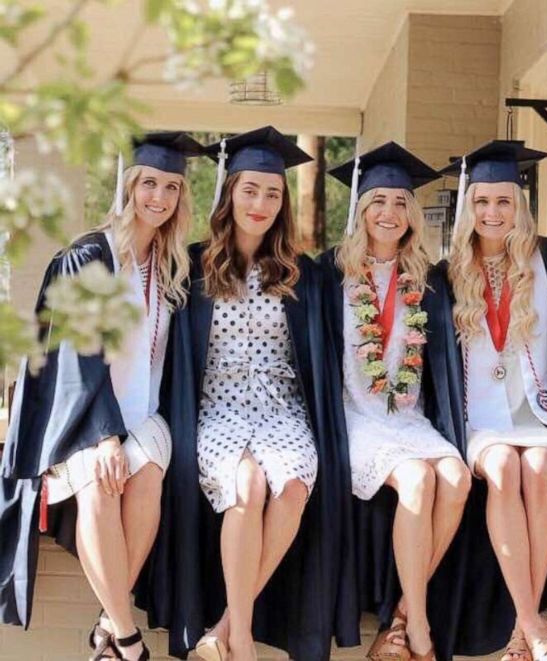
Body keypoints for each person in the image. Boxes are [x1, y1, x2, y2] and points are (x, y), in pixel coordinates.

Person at [139, 126, 358, 661]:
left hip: (283, 412)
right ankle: (239, 640)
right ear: (228, 192)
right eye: (250, 190)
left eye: (273, 193)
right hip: (217, 410)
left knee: (291, 487)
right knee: (246, 485)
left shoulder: (302, 274)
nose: (260, 203)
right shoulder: (191, 266)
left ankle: (226, 629)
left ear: (283, 203)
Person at [0, 133, 203, 661]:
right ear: (129, 186)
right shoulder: (91, 257)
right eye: (150, 184)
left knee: (148, 475)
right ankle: (125, 638)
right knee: (97, 480)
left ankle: (107, 626)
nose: (159, 197)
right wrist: (104, 434)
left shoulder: (172, 267)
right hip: (83, 417)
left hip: (147, 415)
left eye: (172, 187)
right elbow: (73, 358)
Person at [423, 140, 547, 661]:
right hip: (481, 421)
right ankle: (533, 626)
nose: (492, 213)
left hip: (540, 415)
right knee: (505, 473)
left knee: (535, 470)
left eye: (504, 202)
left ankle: (523, 628)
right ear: (469, 207)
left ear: (520, 207)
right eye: (482, 202)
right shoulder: (446, 277)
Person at [320, 142, 470, 661]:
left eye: (401, 202)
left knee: (457, 478)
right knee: (418, 478)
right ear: (361, 210)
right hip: (355, 418)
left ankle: (402, 615)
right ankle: (419, 630)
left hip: (409, 418)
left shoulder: (426, 282)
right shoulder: (330, 276)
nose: (390, 213)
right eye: (378, 201)